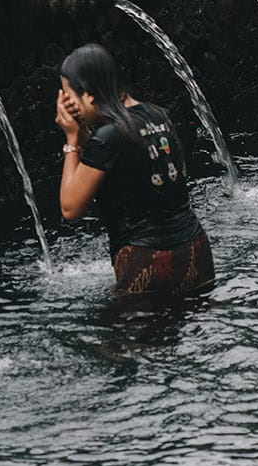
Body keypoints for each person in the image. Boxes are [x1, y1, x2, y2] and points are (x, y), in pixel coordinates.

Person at [56, 43, 215, 298]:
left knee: (131, 336)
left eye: (67, 95)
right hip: (197, 252)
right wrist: (87, 135)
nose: (65, 105)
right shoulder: (159, 115)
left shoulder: (107, 138)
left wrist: (72, 140)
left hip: (148, 261)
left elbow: (70, 209)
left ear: (87, 94)